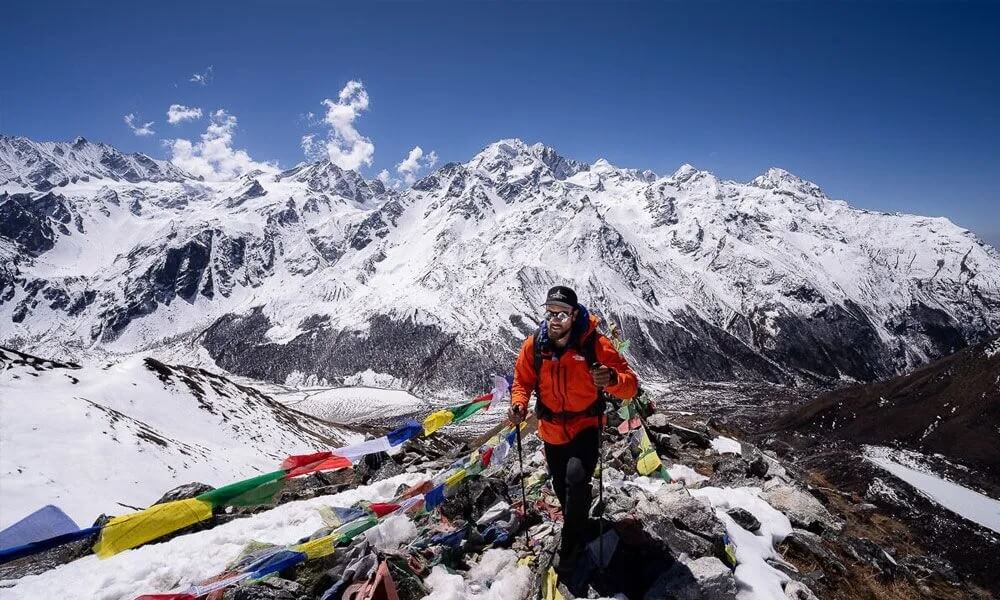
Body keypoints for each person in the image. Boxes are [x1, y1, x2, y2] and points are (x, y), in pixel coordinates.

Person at [508, 285, 638, 573]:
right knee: (562, 487)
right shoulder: (535, 346)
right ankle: (577, 524)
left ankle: (569, 547)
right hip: (551, 430)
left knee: (576, 478)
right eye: (550, 313)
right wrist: (519, 404)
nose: (555, 320)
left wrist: (612, 378)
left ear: (574, 314)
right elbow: (522, 381)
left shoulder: (595, 345)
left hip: (585, 426)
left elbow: (630, 385)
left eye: (562, 314)